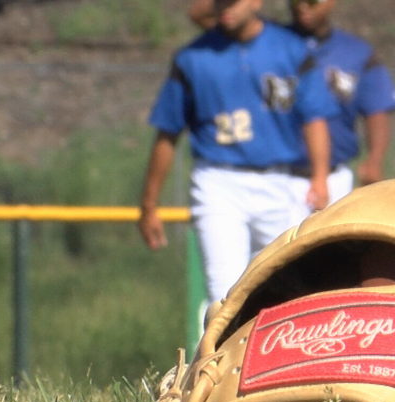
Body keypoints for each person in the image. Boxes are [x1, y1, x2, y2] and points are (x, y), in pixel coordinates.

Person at [139, 0, 338, 303]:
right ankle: (218, 351)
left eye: (232, 2)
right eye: (219, 2)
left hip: (279, 181)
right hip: (218, 181)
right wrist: (149, 203)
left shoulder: (290, 49)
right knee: (225, 295)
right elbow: (168, 133)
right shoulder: (193, 57)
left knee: (289, 290)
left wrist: (320, 177)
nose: (225, 8)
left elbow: (315, 119)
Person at [189, 0, 395, 203]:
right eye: (295, 0)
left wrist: (374, 160)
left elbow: (376, 108)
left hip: (333, 174)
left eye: (312, 0)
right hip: (277, 176)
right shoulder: (267, 40)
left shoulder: (356, 52)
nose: (303, 7)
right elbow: (201, 15)